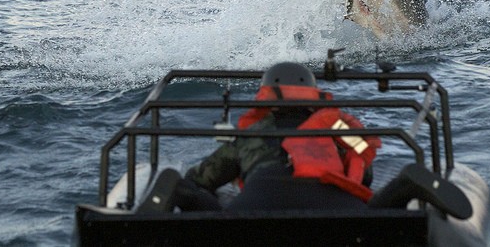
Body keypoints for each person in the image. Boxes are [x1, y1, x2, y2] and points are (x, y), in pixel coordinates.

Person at [143, 62, 380, 213]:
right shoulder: (338, 128)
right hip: (336, 208)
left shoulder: (251, 133)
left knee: (181, 184)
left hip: (258, 206)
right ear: (312, 92)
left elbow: (203, 179)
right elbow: (364, 175)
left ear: (266, 95)